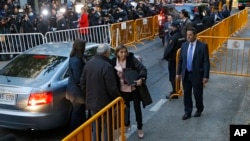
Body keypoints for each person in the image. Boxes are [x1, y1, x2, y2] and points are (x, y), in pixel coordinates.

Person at [80, 43, 120, 141]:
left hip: (92, 102)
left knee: (96, 127)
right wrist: (119, 98)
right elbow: (112, 88)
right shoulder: (107, 66)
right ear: (106, 53)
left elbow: (82, 82)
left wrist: (89, 94)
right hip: (105, 103)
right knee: (106, 128)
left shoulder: (89, 64)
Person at [111, 45, 151, 139]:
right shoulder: (113, 62)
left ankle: (140, 128)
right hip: (122, 90)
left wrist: (141, 78)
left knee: (137, 108)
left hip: (134, 88)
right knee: (125, 108)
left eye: (125, 52)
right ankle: (127, 124)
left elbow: (143, 69)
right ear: (117, 53)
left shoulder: (131, 59)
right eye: (121, 52)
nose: (123, 54)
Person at [176, 27, 210, 120]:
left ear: (195, 35)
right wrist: (178, 73)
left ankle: (199, 109)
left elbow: (206, 62)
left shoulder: (202, 46)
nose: (188, 37)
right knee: (186, 94)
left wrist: (206, 76)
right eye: (187, 35)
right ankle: (187, 111)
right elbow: (181, 60)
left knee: (197, 94)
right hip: (186, 74)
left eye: (190, 35)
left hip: (197, 74)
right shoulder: (184, 45)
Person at [66, 39, 87, 131]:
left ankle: (81, 129)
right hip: (76, 92)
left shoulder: (74, 57)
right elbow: (78, 78)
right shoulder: (77, 61)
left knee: (79, 111)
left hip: (73, 90)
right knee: (77, 112)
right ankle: (74, 132)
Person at [164, 21, 185, 99]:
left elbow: (168, 50)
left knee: (173, 76)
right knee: (178, 74)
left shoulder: (173, 37)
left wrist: (166, 57)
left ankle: (175, 91)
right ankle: (178, 89)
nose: (171, 28)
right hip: (180, 59)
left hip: (173, 60)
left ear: (174, 27)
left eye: (172, 26)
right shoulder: (182, 36)